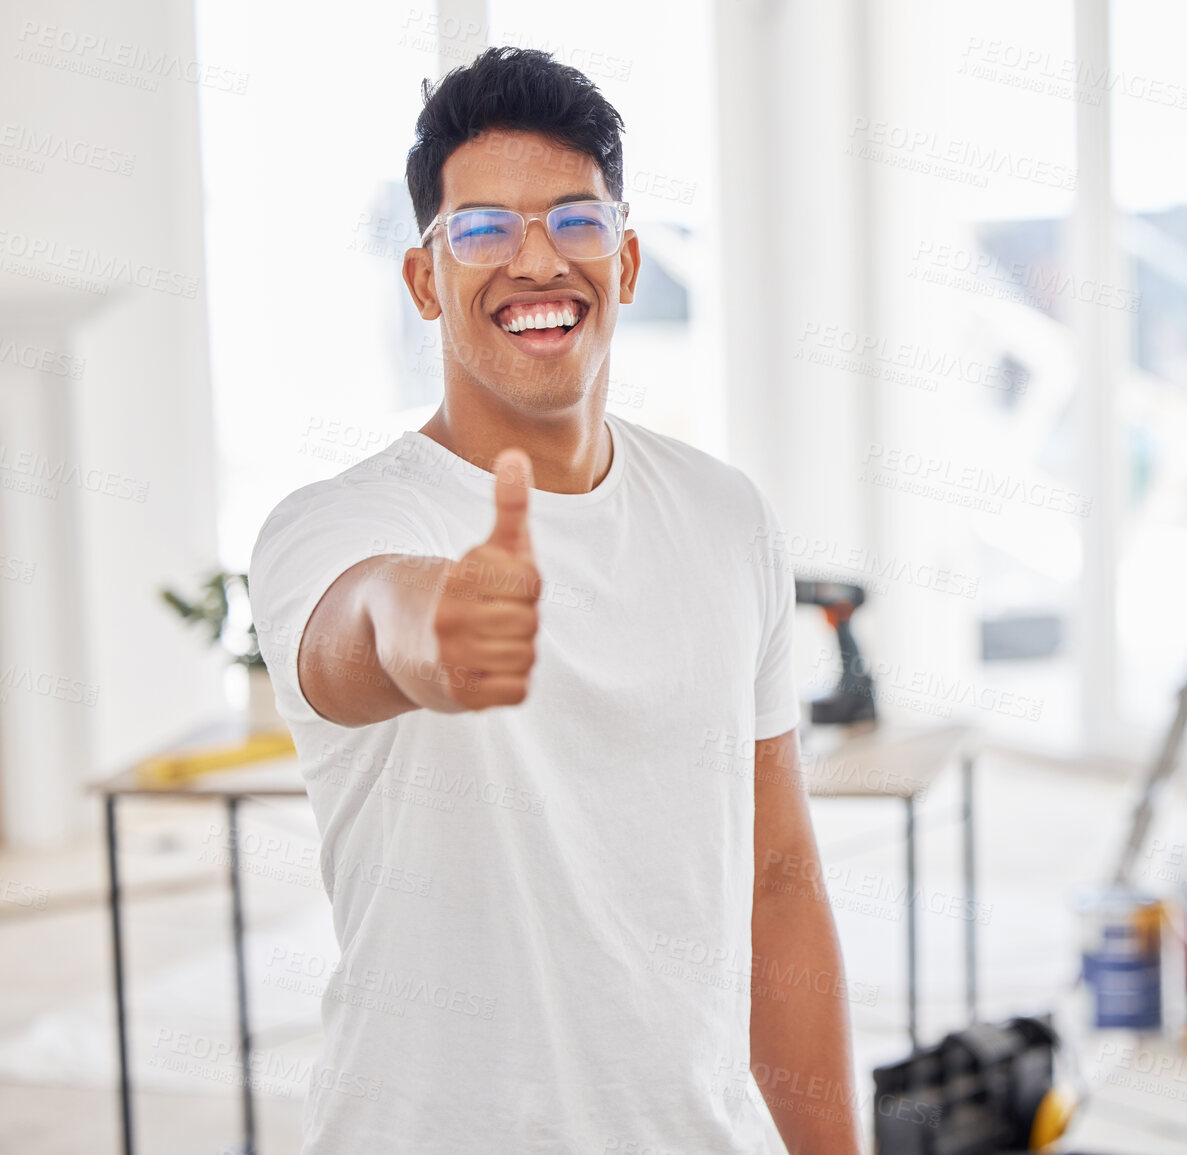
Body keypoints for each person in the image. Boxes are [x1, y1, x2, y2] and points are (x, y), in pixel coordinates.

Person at [249, 46, 860, 1154]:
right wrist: (426, 625)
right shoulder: (332, 527)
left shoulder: (728, 517)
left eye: (574, 222)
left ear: (624, 262)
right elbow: (359, 628)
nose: (536, 262)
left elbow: (777, 883)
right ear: (426, 279)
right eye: (482, 230)